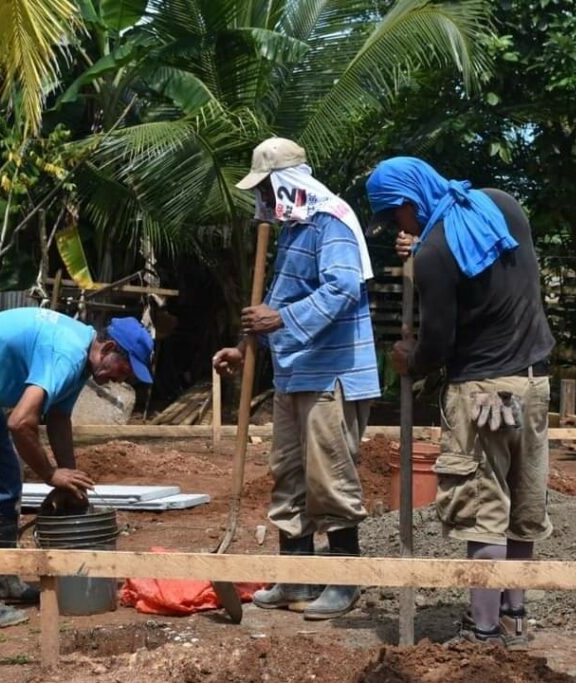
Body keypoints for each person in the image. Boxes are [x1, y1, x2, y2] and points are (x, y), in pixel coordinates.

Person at [366, 157, 555, 646]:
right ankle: (515, 617)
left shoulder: (434, 253)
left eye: (394, 218)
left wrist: (411, 358)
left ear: (409, 202)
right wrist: (421, 249)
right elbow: (486, 275)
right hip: (533, 386)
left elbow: (438, 343)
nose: (394, 229)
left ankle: (482, 631)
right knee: (522, 507)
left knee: (482, 510)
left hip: (481, 395)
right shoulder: (501, 206)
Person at [213, 137, 379, 620]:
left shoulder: (331, 223)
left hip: (332, 375)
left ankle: (345, 582)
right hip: (294, 375)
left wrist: (278, 323)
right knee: (288, 475)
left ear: (285, 184)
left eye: (264, 189)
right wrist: (246, 348)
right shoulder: (291, 232)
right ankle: (296, 577)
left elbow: (343, 288)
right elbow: (275, 304)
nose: (260, 200)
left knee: (329, 479)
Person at [0, 308, 153, 628]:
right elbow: (19, 422)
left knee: (7, 484)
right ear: (110, 348)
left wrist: (70, 483)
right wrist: (50, 475)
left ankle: (3, 580)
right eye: (125, 369)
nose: (121, 379)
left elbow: (58, 418)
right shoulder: (67, 354)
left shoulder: (80, 363)